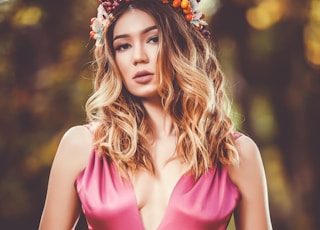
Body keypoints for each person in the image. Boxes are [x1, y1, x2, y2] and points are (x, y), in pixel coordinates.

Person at [39, 0, 273, 229]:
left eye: (153, 39)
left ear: (181, 45)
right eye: (123, 46)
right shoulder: (80, 146)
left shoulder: (236, 154)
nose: (138, 57)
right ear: (113, 58)